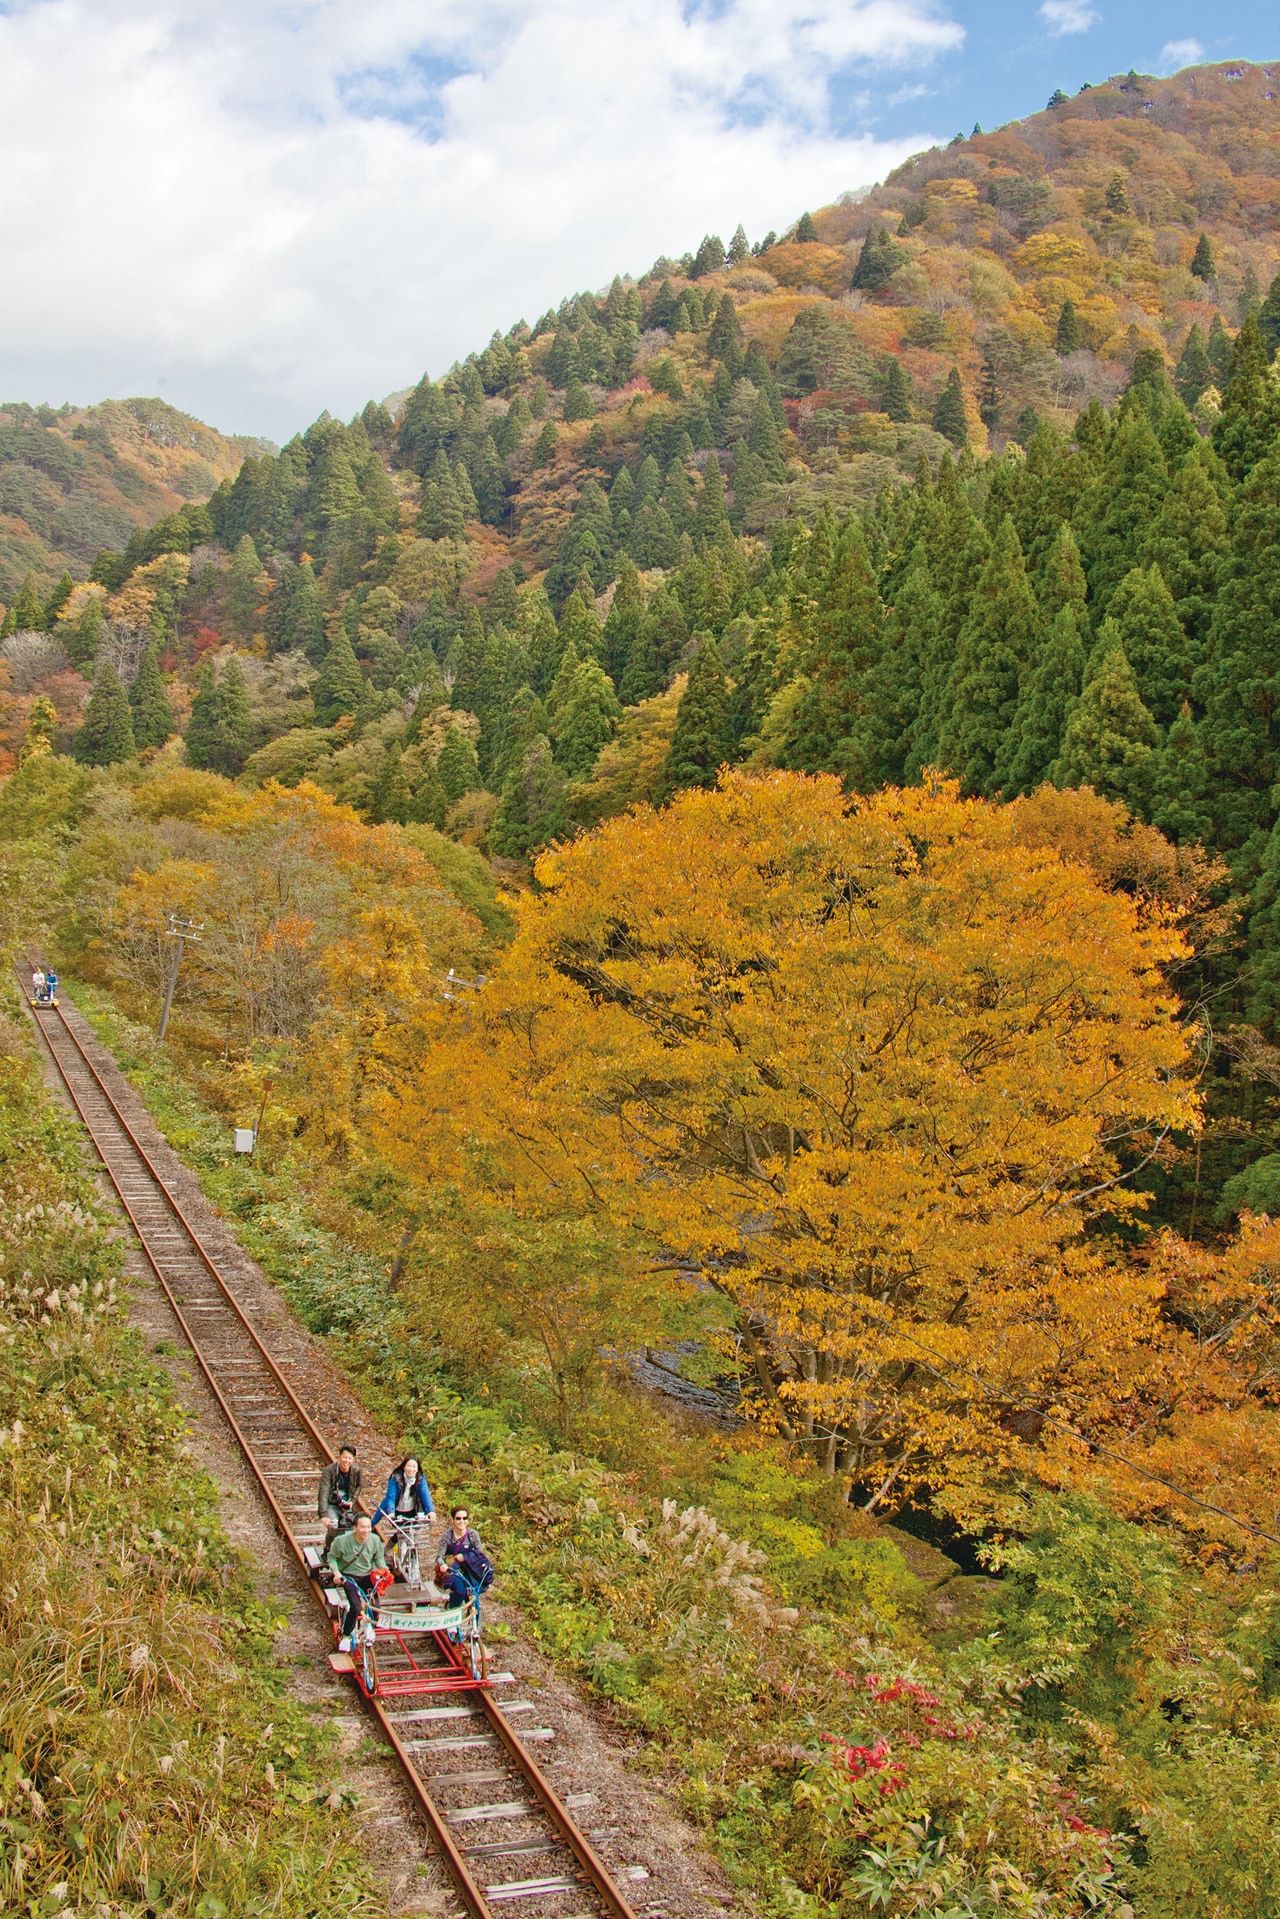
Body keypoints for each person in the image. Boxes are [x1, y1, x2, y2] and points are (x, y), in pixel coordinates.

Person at [326, 1513, 388, 1650]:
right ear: (355, 1528)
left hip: (366, 1575)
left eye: (368, 1527)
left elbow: (379, 1558)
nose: (366, 1530)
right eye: (362, 1527)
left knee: (375, 1606)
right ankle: (347, 1636)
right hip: (349, 1576)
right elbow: (332, 1558)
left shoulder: (374, 1540)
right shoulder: (341, 1541)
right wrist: (336, 1573)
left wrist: (383, 1570)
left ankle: (370, 1626)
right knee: (356, 1607)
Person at [374, 1455, 435, 1586]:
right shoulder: (396, 1478)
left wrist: (430, 1511)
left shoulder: (420, 1479)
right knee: (401, 1531)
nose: (411, 1469)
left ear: (417, 1468)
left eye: (414, 1466)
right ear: (404, 1467)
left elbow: (425, 1495)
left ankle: (403, 1559)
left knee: (409, 1533)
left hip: (412, 1510)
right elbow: (390, 1496)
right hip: (397, 1510)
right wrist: (390, 1512)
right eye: (409, 1466)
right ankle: (388, 1550)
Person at [435, 1506, 495, 1607]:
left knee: (473, 1596)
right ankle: (452, 1610)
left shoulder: (473, 1535)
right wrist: (442, 1565)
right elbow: (439, 1557)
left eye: (464, 1518)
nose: (461, 1521)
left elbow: (480, 1556)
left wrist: (465, 1557)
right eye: (458, 1518)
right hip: (454, 1570)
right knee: (460, 1591)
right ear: (453, 1520)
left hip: (471, 1570)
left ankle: (474, 1619)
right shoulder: (447, 1536)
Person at [317, 1444, 361, 1548]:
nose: (347, 1461)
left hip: (347, 1505)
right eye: (345, 1457)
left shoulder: (356, 1470)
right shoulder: (329, 1470)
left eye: (349, 1458)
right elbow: (324, 1492)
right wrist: (323, 1514)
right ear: (339, 1457)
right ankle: (328, 1548)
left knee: (349, 1530)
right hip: (332, 1504)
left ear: (353, 1459)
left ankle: (345, 1551)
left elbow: (359, 1486)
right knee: (334, 1527)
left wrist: (352, 1501)